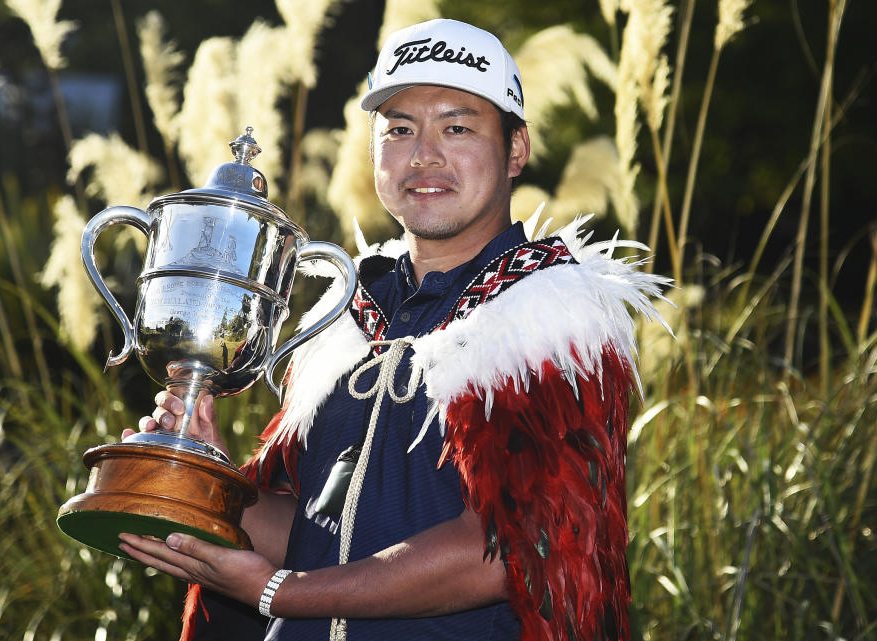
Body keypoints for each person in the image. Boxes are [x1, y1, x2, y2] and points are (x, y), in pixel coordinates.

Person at [118, 18, 668, 641]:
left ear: (517, 149)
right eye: (400, 130)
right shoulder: (345, 312)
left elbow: (511, 545)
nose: (424, 155)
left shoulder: (554, 315)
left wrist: (281, 592)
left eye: (457, 127)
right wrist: (203, 480)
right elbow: (312, 531)